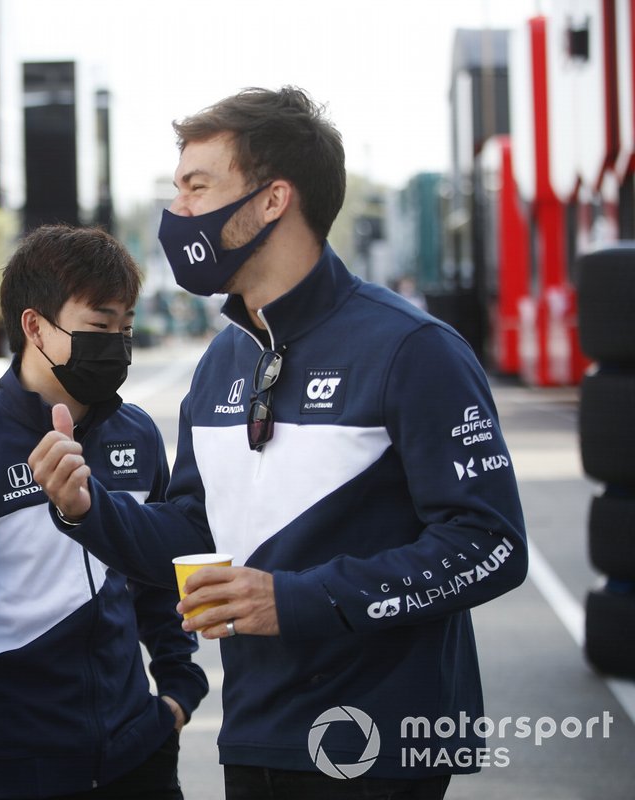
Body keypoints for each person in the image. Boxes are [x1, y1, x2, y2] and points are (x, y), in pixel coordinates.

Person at [29, 87, 527, 799]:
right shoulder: (221, 363)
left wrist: (294, 600)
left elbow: (491, 546)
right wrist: (87, 510)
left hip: (380, 737)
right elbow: (195, 535)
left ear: (272, 200)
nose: (180, 215)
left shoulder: (413, 349)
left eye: (198, 188)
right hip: (256, 733)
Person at [0, 225, 209, 800]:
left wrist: (177, 690)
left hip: (137, 751)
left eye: (126, 326)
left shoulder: (137, 435)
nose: (116, 341)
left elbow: (161, 572)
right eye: (98, 326)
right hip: (14, 767)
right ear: (35, 326)